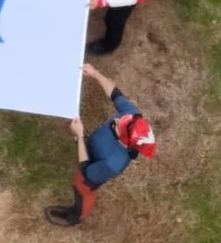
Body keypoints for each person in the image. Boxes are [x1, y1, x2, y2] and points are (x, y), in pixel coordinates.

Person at [44, 62, 156, 227]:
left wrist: (80, 135)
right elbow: (115, 94)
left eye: (120, 125)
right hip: (95, 146)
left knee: (82, 190)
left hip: (90, 172)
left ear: (124, 142)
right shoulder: (133, 116)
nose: (118, 118)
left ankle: (75, 217)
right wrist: (95, 73)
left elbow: (85, 168)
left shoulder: (112, 164)